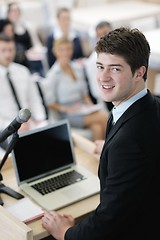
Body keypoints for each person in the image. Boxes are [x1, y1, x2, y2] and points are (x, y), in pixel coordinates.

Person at [41, 27, 160, 239]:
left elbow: (108, 222)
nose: (102, 77)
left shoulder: (128, 142)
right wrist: (110, 151)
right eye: (100, 66)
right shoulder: (152, 105)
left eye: (115, 69)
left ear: (139, 72)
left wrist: (65, 233)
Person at [43, 37, 108, 141]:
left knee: (97, 128)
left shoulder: (77, 68)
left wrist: (90, 107)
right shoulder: (53, 75)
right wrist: (66, 109)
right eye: (61, 49)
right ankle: (111, 153)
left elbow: (84, 94)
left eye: (68, 49)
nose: (65, 53)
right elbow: (49, 102)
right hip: (67, 114)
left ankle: (99, 156)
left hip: (82, 109)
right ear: (56, 52)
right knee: (105, 117)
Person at [0, 33, 47, 150]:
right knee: (26, 148)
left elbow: (34, 98)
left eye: (11, 50)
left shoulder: (23, 71)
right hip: (6, 129)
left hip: (30, 123)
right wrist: (13, 126)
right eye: (3, 50)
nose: (8, 54)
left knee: (49, 136)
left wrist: (40, 119)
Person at [84, 20, 114, 111]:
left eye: (107, 34)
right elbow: (97, 92)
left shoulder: (120, 54)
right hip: (108, 100)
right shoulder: (94, 60)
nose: (104, 38)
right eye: (100, 36)